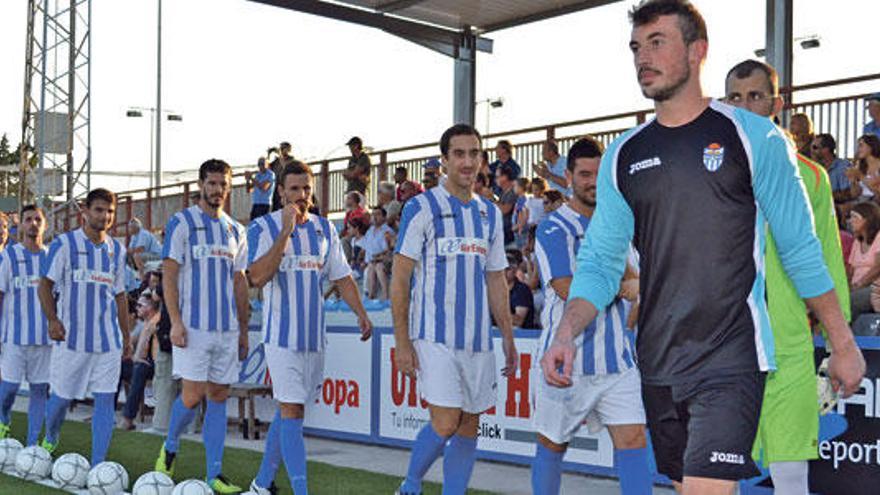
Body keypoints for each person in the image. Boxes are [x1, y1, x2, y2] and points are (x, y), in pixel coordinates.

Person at [540, 2, 864, 494]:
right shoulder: (623, 155)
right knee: (686, 484)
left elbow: (801, 250)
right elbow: (601, 262)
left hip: (732, 359)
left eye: (657, 43)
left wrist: (842, 343)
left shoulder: (756, 139)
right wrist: (566, 332)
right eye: (636, 47)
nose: (642, 58)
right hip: (659, 361)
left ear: (698, 51)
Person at [725, 58, 853, 495]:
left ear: (776, 103)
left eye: (755, 96)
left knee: (791, 468)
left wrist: (837, 337)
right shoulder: (711, 171)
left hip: (789, 342)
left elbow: (825, 259)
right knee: (716, 468)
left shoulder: (814, 177)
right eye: (736, 98)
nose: (745, 106)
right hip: (723, 341)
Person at [392, 124, 517, 495]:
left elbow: (496, 280)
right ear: (444, 160)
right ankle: (410, 485)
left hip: (478, 340)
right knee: (446, 421)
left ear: (482, 159)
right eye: (459, 154)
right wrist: (402, 343)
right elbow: (400, 279)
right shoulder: (421, 207)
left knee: (468, 426)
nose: (467, 161)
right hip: (434, 336)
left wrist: (507, 337)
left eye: (474, 153)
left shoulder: (489, 213)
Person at [531, 136, 651, 495]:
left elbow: (639, 279)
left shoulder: (619, 225)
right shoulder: (555, 227)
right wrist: (623, 286)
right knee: (553, 445)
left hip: (616, 359)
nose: (592, 182)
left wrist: (632, 286)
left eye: (599, 174)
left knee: (633, 440)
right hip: (568, 358)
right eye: (584, 174)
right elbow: (567, 286)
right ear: (568, 176)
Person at [247, 161, 373, 495]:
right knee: (291, 409)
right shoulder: (263, 227)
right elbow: (257, 277)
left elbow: (341, 275)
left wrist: (360, 311)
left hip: (314, 335)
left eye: (306, 189)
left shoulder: (324, 229)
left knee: (292, 409)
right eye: (294, 189)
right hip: (281, 337)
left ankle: (261, 485)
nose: (302, 196)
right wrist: (286, 233)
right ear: (280, 191)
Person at [154, 159, 249, 494]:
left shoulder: (237, 230)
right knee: (193, 396)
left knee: (219, 396)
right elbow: (169, 274)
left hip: (226, 329)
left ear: (229, 187)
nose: (218, 190)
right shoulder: (182, 223)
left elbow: (240, 281)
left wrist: (243, 330)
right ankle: (170, 445)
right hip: (192, 327)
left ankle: (215, 474)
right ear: (200, 185)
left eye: (223, 184)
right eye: (212, 183)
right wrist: (175, 322)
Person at [38, 189, 131, 466]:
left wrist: (126, 336)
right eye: (99, 210)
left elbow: (120, 295)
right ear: (86, 212)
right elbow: (45, 285)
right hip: (71, 339)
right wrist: (53, 320)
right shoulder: (65, 245)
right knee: (61, 400)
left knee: (105, 400)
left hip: (108, 342)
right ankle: (51, 436)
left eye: (110, 211)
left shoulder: (117, 250)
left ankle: (98, 463)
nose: (105, 216)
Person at [0, 205, 50, 446]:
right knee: (8, 388)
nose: (33, 223)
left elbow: (59, 297)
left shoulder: (52, 257)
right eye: (28, 219)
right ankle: (2, 422)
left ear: (45, 225)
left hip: (44, 339)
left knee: (39, 391)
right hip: (14, 337)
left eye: (37, 219)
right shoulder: (10, 256)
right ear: (21, 226)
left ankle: (32, 443)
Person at [120, 289, 161, 431]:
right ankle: (107, 411)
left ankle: (127, 419)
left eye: (140, 305)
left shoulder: (155, 321)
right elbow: (132, 345)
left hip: (158, 364)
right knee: (120, 366)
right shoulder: (146, 322)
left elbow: (141, 349)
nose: (137, 308)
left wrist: (136, 358)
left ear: (150, 307)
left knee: (139, 369)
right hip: (148, 363)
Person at [847, 201, 880, 320]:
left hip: (873, 288)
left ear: (867, 220)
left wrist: (859, 285)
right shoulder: (857, 242)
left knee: (849, 302)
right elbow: (850, 270)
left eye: (854, 217)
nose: (850, 221)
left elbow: (877, 268)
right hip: (857, 287)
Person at [811, 133, 855, 206]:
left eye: (815, 147)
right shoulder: (815, 167)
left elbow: (847, 194)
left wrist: (822, 195)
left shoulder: (843, 166)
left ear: (826, 149)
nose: (811, 150)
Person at [361, 207, 394, 300]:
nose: (375, 217)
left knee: (378, 266)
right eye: (373, 214)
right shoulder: (369, 231)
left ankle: (385, 295)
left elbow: (388, 250)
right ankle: (371, 295)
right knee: (371, 267)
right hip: (373, 261)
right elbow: (366, 248)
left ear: (384, 217)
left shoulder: (387, 231)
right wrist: (364, 260)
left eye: (378, 214)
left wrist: (377, 258)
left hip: (385, 260)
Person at [505, 252, 537, 329]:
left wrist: (495, 313)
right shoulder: (497, 289)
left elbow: (518, 321)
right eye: (500, 270)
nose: (503, 273)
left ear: (515, 270)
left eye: (507, 269)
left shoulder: (521, 290)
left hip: (523, 336)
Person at [846, 134, 880, 200]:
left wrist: (860, 176)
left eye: (861, 145)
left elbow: (877, 193)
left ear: (871, 147)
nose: (858, 149)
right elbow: (854, 195)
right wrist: (852, 181)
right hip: (862, 201)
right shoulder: (859, 165)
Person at [495, 165, 518, 247]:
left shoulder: (512, 191)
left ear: (505, 177)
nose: (496, 180)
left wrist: (491, 199)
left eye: (498, 177)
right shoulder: (504, 191)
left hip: (509, 232)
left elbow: (505, 210)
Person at [270, 142, 295, 211]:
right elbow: (268, 167)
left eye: (283, 148)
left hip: (286, 186)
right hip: (277, 186)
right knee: (275, 208)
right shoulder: (277, 161)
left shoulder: (291, 160)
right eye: (281, 148)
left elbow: (286, 168)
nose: (281, 150)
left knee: (284, 205)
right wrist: (268, 155)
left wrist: (280, 155)